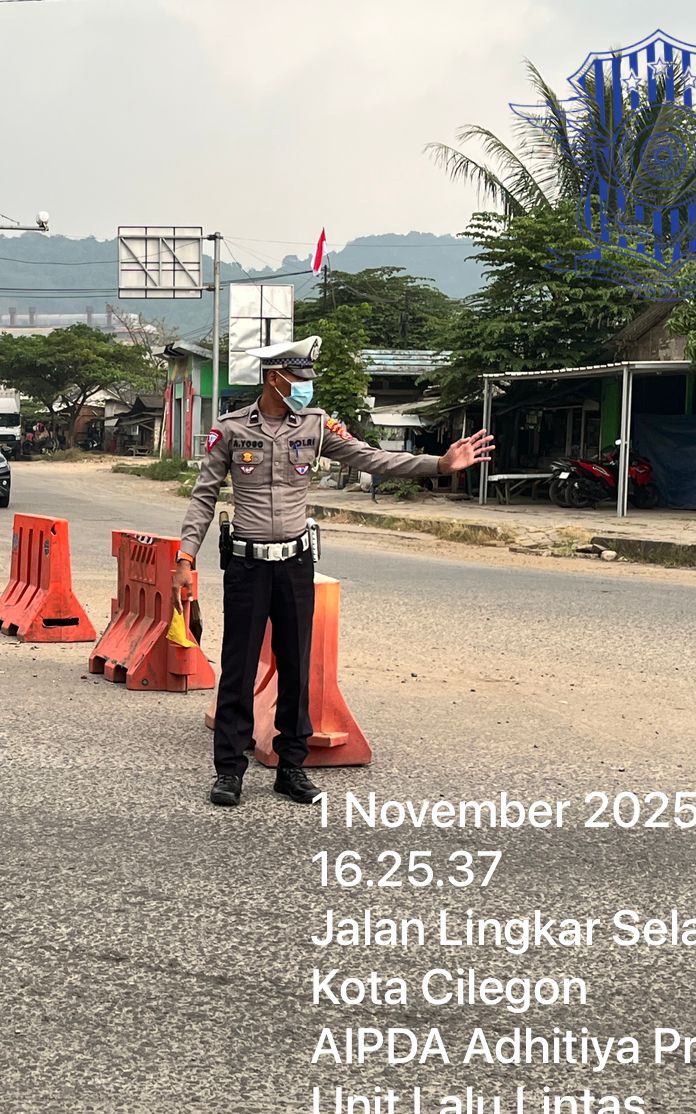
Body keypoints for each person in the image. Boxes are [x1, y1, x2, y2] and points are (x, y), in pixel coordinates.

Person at [176, 336, 494, 808]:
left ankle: (291, 767)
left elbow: (371, 457)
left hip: (295, 564)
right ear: (274, 379)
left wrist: (440, 464)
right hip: (247, 564)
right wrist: (185, 558)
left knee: (297, 667)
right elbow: (204, 495)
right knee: (238, 668)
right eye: (298, 379)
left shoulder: (316, 425)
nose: (305, 388)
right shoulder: (232, 429)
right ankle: (229, 771)